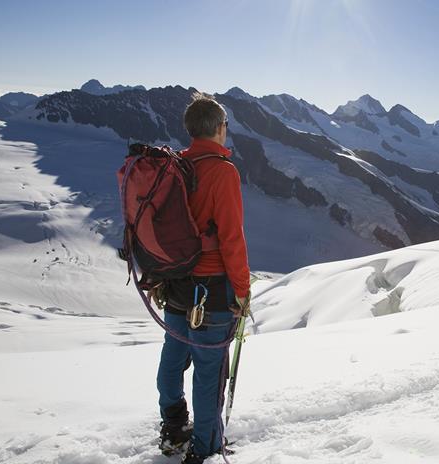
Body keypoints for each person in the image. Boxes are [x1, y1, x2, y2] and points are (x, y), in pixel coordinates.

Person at [156, 96, 251, 464]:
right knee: (209, 371)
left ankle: (173, 427)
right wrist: (242, 291)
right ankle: (206, 448)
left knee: (173, 353)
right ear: (220, 127)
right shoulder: (223, 171)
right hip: (211, 289)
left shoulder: (174, 166)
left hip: (176, 282)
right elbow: (231, 238)